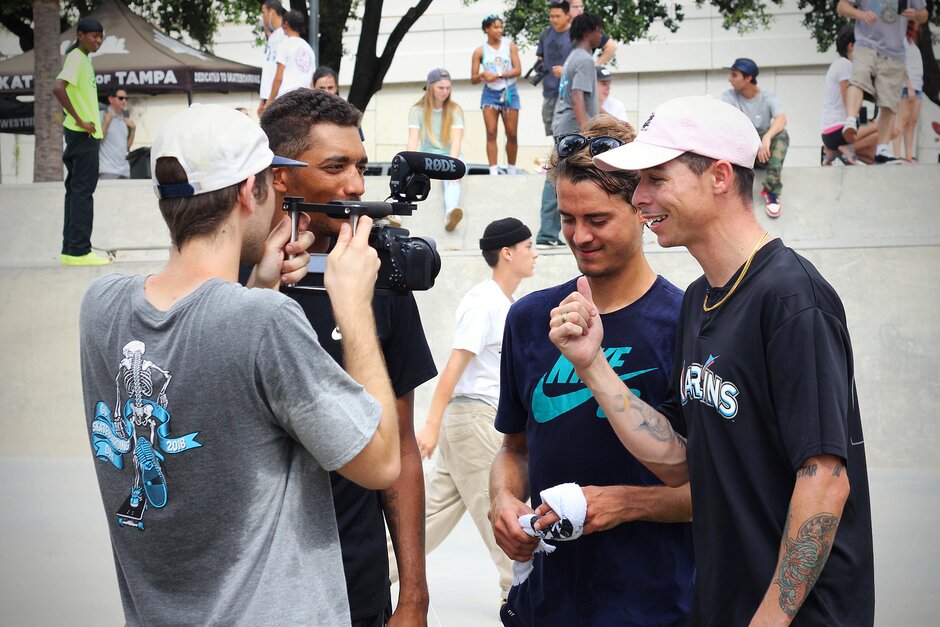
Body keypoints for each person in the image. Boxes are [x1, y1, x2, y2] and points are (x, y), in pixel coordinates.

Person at [80, 103, 403, 624]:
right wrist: (354, 307)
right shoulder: (264, 322)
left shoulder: (102, 307)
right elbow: (382, 460)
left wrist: (258, 285)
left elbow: (210, 368)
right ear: (249, 192)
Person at [562, 95, 875, 624]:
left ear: (720, 177)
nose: (639, 198)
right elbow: (683, 463)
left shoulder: (792, 298)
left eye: (655, 179)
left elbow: (824, 481)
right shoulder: (698, 301)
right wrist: (592, 365)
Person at [489, 116, 694, 626]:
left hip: (655, 606)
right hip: (546, 604)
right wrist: (503, 499)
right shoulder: (530, 317)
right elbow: (514, 448)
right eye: (567, 218)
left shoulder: (687, 323)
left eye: (598, 219)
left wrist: (622, 504)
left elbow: (714, 490)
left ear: (641, 206)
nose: (580, 236)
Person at [261, 88, 437, 627]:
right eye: (335, 167)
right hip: (256, 585)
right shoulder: (239, 279)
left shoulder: (382, 279)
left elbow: (401, 446)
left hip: (355, 580)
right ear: (279, 177)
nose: (356, 186)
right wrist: (257, 284)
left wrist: (413, 596)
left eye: (361, 166)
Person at [389, 218, 537, 605]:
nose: (535, 254)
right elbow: (454, 365)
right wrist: (431, 425)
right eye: (528, 247)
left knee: (428, 518)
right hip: (474, 420)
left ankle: (364, 573)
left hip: (471, 422)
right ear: (507, 254)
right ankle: (517, 598)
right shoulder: (482, 302)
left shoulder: (506, 304)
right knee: (503, 513)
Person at [837, 0, 928, 164]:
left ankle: (882, 150)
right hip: (866, 44)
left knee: (889, 102)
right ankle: (850, 120)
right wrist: (860, 14)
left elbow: (924, 13)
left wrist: (916, 15)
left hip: (894, 52)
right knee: (859, 77)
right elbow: (842, 6)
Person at [53, 16, 109, 266]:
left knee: (75, 192)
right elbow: (58, 88)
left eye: (101, 37)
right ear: (80, 35)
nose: (98, 41)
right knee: (83, 193)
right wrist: (79, 120)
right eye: (94, 36)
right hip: (82, 134)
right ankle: (79, 251)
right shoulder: (76, 58)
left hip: (82, 135)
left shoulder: (82, 59)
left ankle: (70, 250)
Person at [720, 58, 788, 218]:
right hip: (744, 150)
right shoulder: (729, 96)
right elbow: (728, 123)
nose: (730, 79)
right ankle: (731, 194)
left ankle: (771, 191)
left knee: (782, 134)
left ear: (748, 78)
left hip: (764, 154)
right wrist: (755, 141)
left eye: (734, 75)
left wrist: (767, 138)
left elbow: (781, 119)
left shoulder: (767, 96)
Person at [533, 0, 573, 249]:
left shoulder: (577, 36)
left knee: (561, 163)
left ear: (568, 16)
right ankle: (548, 232)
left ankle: (549, 232)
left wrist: (565, 70)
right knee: (558, 161)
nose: (553, 20)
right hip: (551, 97)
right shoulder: (546, 33)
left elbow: (608, 47)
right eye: (551, 16)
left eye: (558, 16)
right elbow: (539, 58)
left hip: (568, 101)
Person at [408, 68, 466, 232]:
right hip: (428, 156)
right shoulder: (417, 110)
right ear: (430, 87)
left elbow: (456, 141)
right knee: (407, 175)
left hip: (450, 156)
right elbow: (413, 139)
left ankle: (451, 213)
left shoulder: (455, 110)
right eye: (441, 88)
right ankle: (395, 215)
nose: (445, 92)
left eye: (448, 88)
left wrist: (452, 164)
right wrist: (410, 162)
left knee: (452, 178)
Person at [472, 14, 522, 176]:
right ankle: (493, 170)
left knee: (512, 133)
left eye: (501, 27)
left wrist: (499, 75)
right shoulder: (480, 51)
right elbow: (473, 78)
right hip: (490, 94)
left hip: (509, 91)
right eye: (495, 27)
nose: (499, 30)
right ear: (487, 29)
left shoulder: (509, 45)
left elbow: (518, 70)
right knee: (491, 131)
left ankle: (511, 169)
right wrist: (482, 75)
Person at [821, 29, 879, 165]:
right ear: (851, 46)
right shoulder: (845, 64)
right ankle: (841, 149)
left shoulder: (839, 65)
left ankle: (838, 152)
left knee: (871, 155)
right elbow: (847, 99)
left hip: (830, 132)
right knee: (880, 127)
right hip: (838, 130)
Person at [552, 13, 604, 139]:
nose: (600, 35)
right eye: (598, 31)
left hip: (563, 126)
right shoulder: (585, 60)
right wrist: (585, 130)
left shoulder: (573, 56)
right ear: (587, 33)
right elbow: (576, 96)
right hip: (574, 130)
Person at [259, 9, 315, 114]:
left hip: (287, 98)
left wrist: (269, 102)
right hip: (306, 99)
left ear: (285, 24)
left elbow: (278, 77)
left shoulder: (284, 45)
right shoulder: (308, 48)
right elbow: (312, 81)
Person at [893, 20, 924, 162]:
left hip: (918, 86)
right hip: (907, 87)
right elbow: (901, 65)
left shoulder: (913, 44)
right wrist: (909, 86)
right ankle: (897, 154)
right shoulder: (903, 42)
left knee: (912, 121)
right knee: (903, 120)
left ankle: (909, 155)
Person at [98, 88, 135, 180]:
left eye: (126, 98)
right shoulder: (102, 115)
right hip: (107, 171)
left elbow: (126, 147)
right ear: (111, 99)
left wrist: (133, 130)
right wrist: (106, 123)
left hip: (125, 171)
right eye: (121, 98)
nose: (124, 101)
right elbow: (97, 141)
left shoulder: (124, 119)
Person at [257, 0, 285, 116]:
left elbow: (279, 72)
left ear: (271, 12)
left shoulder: (284, 36)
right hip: (270, 99)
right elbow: (269, 71)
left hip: (278, 99)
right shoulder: (273, 37)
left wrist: (269, 100)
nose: (262, 17)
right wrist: (263, 100)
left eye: (264, 12)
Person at [567, 0, 617, 65]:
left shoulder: (587, 27)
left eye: (581, 6)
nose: (579, 9)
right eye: (575, 7)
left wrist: (596, 64)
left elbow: (611, 46)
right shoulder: (559, 28)